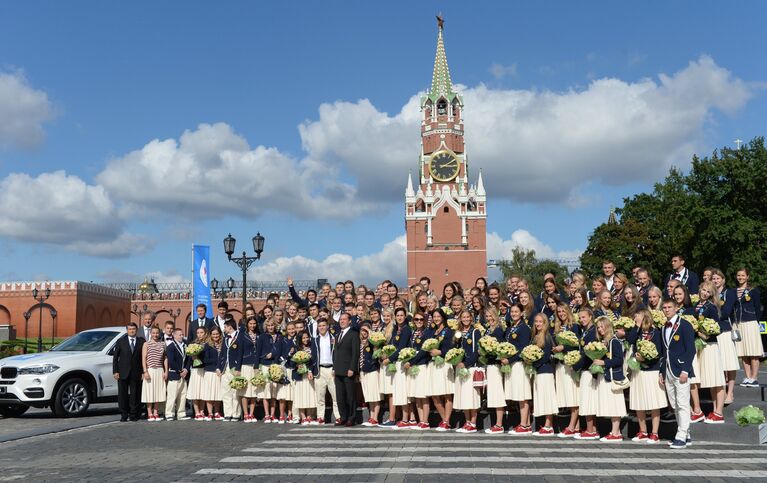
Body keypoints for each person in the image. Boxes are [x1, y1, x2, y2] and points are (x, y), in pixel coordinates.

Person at [660, 298, 696, 449]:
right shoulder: (663, 327)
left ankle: (680, 435)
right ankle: (686, 434)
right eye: (664, 307)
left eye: (669, 307)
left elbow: (691, 350)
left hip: (680, 369)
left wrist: (685, 370)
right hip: (668, 370)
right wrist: (662, 372)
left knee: (682, 403)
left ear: (676, 308)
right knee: (674, 404)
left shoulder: (685, 325)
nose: (667, 310)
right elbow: (664, 352)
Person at [627, 310, 666, 443]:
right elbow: (629, 340)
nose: (635, 318)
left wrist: (646, 359)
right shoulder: (636, 332)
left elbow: (659, 354)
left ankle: (655, 433)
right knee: (639, 402)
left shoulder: (656, 333)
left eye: (637, 316)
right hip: (638, 372)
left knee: (654, 403)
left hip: (652, 371)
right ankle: (643, 431)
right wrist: (636, 327)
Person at [593, 316, 627, 442]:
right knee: (611, 404)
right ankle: (616, 432)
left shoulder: (614, 341)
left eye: (602, 326)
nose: (600, 329)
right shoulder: (604, 342)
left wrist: (603, 363)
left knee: (615, 404)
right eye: (598, 327)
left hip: (613, 377)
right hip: (605, 376)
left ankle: (615, 433)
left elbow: (619, 360)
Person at [552, 303, 581, 437]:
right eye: (559, 312)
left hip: (569, 363)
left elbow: (577, 345)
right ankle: (576, 426)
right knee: (566, 394)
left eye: (564, 311)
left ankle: (571, 426)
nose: (561, 313)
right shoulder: (557, 327)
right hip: (560, 364)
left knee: (572, 395)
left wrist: (564, 348)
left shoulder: (574, 326)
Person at [504, 304, 533, 436]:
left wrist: (509, 359)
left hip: (520, 364)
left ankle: (524, 424)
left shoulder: (524, 328)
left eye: (516, 311)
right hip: (511, 365)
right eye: (512, 311)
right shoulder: (510, 328)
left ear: (521, 313)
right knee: (518, 395)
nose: (514, 314)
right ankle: (525, 424)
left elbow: (522, 349)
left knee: (522, 395)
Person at [732, 268, 763, 387]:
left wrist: (756, 322)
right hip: (738, 323)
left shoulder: (753, 291)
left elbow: (758, 307)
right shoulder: (733, 291)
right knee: (743, 351)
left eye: (743, 275)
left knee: (753, 351)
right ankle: (747, 377)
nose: (740, 277)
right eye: (738, 275)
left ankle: (754, 378)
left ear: (747, 277)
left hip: (750, 323)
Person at [574, 307, 600, 440]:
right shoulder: (585, 331)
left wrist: (576, 364)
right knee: (587, 398)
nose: (581, 319)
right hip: (586, 368)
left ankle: (590, 430)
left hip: (589, 369)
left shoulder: (592, 332)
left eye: (584, 317)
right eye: (580, 317)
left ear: (591, 316)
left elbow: (589, 352)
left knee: (588, 398)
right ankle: (592, 429)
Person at [530, 313, 557, 436]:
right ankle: (546, 425)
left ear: (545, 323)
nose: (538, 324)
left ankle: (548, 426)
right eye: (536, 321)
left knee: (547, 397)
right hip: (539, 371)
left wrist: (534, 363)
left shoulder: (546, 336)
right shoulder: (536, 336)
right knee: (542, 396)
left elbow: (546, 356)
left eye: (540, 321)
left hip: (545, 370)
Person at [454, 309, 481, 433]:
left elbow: (476, 352)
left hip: (470, 367)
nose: (465, 319)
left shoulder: (475, 332)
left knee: (472, 396)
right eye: (463, 317)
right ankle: (467, 421)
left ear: (471, 318)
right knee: (463, 395)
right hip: (460, 367)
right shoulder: (459, 332)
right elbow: (457, 349)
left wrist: (466, 363)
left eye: (467, 317)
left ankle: (473, 422)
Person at [387, 307, 414, 429]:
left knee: (404, 391)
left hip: (403, 362)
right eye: (397, 315)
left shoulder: (406, 329)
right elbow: (393, 345)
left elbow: (402, 347)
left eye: (402, 315)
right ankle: (410, 418)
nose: (399, 317)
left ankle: (405, 419)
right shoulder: (395, 329)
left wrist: (389, 359)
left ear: (405, 316)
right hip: (397, 363)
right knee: (400, 391)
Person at [112, 323, 145, 422]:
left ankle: (133, 414)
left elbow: (144, 358)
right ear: (127, 330)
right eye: (130, 329)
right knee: (122, 395)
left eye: (134, 329)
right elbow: (115, 358)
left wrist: (143, 371)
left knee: (135, 394)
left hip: (136, 372)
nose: (132, 331)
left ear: (136, 330)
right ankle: (123, 414)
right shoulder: (120, 341)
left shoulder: (141, 341)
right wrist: (115, 371)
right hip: (122, 372)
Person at [405, 312, 433, 430]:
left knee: (423, 395)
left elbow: (423, 350)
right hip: (413, 365)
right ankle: (420, 420)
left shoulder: (427, 332)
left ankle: (425, 421)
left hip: (421, 365)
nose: (419, 321)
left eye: (421, 319)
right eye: (416, 319)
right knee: (417, 395)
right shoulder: (412, 333)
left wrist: (411, 361)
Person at [333, 313, 360, 427]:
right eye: (340, 319)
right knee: (340, 396)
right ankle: (343, 417)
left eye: (344, 319)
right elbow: (336, 353)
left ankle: (351, 417)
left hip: (348, 370)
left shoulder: (353, 334)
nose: (342, 321)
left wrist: (352, 368)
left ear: (349, 321)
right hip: (338, 370)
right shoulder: (338, 334)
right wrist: (334, 368)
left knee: (350, 396)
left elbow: (355, 353)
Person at [312, 318, 341, 424]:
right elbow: (313, 357)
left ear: (327, 326)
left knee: (335, 395)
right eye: (320, 326)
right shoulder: (315, 340)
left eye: (324, 325)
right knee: (320, 396)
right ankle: (320, 417)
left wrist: (335, 368)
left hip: (331, 370)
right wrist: (311, 371)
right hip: (320, 370)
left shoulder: (334, 338)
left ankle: (338, 416)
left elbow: (337, 355)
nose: (322, 328)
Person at [483, 310, 506, 434]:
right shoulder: (487, 329)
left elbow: (501, 346)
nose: (488, 318)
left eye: (491, 315)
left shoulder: (498, 330)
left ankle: (499, 424)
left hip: (496, 365)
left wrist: (494, 352)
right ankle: (496, 423)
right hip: (489, 364)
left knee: (497, 394)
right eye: (486, 316)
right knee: (492, 393)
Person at [219, 320, 244, 422]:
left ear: (230, 327)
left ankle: (236, 414)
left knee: (235, 391)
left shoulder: (240, 336)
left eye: (225, 327)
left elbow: (240, 353)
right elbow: (222, 354)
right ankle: (227, 413)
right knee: (226, 391)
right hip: (226, 368)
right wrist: (218, 367)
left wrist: (238, 368)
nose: (224, 329)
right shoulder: (225, 338)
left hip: (235, 368)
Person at [140, 326, 168, 422]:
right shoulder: (146, 344)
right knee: (149, 392)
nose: (155, 335)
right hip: (150, 370)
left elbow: (165, 358)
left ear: (159, 334)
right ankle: (149, 413)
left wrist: (166, 371)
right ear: (151, 334)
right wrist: (145, 371)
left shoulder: (163, 344)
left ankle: (156, 412)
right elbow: (143, 358)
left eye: (157, 333)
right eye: (154, 333)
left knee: (158, 392)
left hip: (160, 370)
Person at [257, 317, 282, 423]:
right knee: (266, 391)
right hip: (265, 365)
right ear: (266, 327)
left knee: (274, 391)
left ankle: (272, 414)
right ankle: (266, 414)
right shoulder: (262, 337)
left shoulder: (280, 336)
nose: (271, 327)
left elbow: (281, 350)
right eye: (269, 325)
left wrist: (274, 354)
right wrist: (257, 366)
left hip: (276, 366)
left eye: (272, 325)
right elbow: (258, 352)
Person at [358, 323, 382, 426]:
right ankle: (371, 416)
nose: (364, 332)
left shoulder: (373, 342)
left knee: (375, 395)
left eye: (366, 330)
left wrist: (370, 332)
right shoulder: (359, 342)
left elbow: (376, 350)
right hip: (363, 371)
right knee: (368, 395)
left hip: (372, 370)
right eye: (362, 330)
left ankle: (375, 417)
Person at [165, 327, 190, 420]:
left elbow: (189, 359)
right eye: (180, 335)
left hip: (184, 375)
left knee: (182, 395)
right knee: (172, 395)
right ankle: (169, 414)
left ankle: (181, 413)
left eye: (182, 334)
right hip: (175, 374)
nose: (182, 336)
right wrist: (180, 371)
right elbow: (171, 361)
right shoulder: (171, 347)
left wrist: (186, 369)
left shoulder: (185, 345)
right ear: (174, 335)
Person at [293, 330, 317, 425]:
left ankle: (309, 416)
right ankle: (303, 416)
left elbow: (314, 361)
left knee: (310, 395)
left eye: (307, 337)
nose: (306, 339)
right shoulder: (295, 348)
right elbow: (290, 362)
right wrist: (296, 365)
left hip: (309, 375)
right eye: (303, 338)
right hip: (299, 376)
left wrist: (310, 370)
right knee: (301, 396)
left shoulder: (312, 347)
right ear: (300, 339)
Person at [201, 326, 224, 421]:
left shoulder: (223, 344)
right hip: (210, 371)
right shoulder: (207, 345)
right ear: (210, 335)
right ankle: (210, 413)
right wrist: (217, 360)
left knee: (218, 393)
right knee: (209, 393)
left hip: (220, 372)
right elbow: (206, 360)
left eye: (217, 334)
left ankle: (217, 412)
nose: (215, 336)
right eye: (213, 334)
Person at [240, 317, 260, 422]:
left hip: (255, 366)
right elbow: (239, 352)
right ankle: (246, 413)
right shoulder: (243, 335)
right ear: (247, 324)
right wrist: (238, 368)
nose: (252, 325)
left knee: (253, 391)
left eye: (254, 323)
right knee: (245, 391)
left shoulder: (259, 336)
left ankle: (252, 414)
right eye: (250, 323)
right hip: (245, 364)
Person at [187, 326, 208, 421]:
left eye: (201, 332)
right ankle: (197, 412)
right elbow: (189, 358)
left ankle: (202, 411)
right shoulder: (193, 344)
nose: (199, 334)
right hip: (195, 370)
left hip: (204, 369)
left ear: (205, 333)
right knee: (195, 391)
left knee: (203, 391)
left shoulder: (208, 344)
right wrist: (193, 356)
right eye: (198, 332)